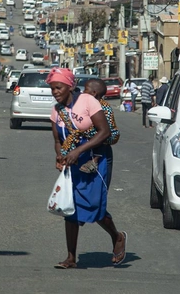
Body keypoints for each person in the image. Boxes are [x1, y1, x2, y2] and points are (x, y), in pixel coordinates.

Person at [47, 68, 127, 269]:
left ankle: (117, 237)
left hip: (96, 160)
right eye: (52, 88)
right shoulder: (56, 110)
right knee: (70, 207)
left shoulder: (87, 101)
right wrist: (60, 155)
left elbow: (104, 132)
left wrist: (79, 150)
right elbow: (58, 140)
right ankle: (71, 257)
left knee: (94, 205)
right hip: (73, 162)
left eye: (58, 87)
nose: (55, 91)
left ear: (70, 86)